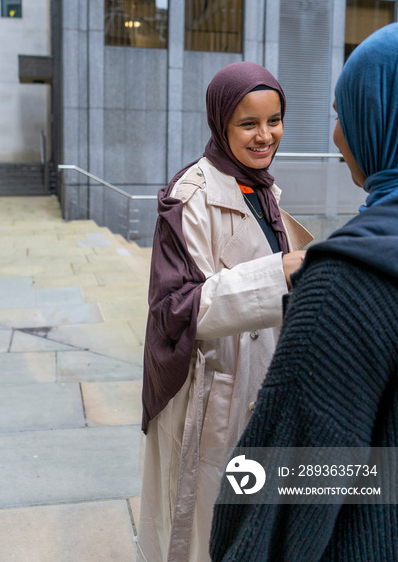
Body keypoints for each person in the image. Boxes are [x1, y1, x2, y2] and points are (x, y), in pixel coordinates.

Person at [210, 23, 398, 561]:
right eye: (247, 123)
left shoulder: (350, 284)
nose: (337, 137)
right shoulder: (188, 198)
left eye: (344, 114)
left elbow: (282, 486)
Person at [136, 61, 313, 562]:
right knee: (200, 533)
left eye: (274, 120)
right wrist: (281, 271)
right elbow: (179, 309)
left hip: (259, 385)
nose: (265, 136)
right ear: (220, 123)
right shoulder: (190, 196)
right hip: (209, 392)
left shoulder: (261, 188)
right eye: (248, 124)